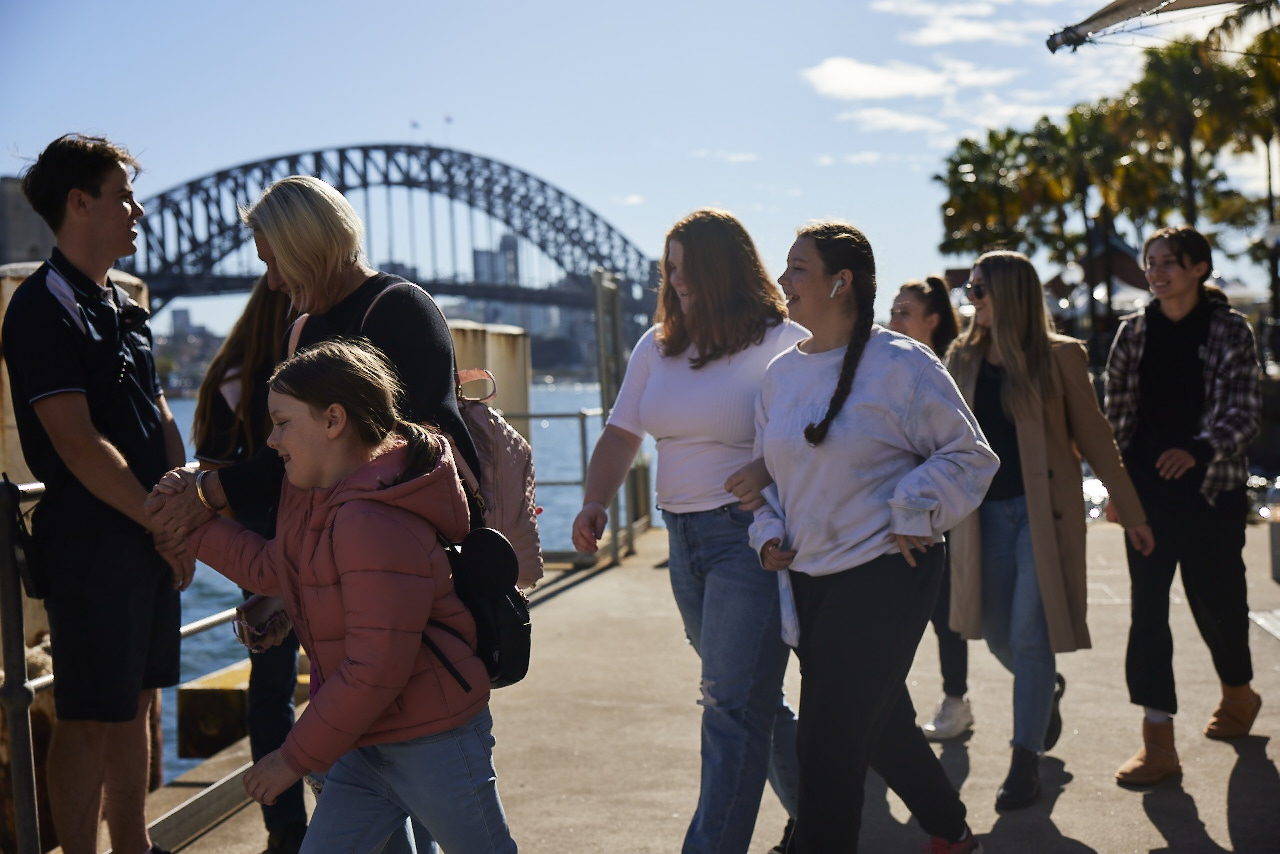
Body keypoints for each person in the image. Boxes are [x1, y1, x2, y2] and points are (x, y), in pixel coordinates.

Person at [147, 174, 481, 853]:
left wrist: (209, 494)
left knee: (426, 778)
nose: (269, 280)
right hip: (338, 593)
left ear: (306, 245)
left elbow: (391, 460)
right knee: (374, 782)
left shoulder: (398, 310)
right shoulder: (305, 326)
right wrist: (281, 591)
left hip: (410, 593)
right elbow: (304, 469)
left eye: (272, 258)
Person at [170, 339, 516, 853]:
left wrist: (292, 757)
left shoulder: (373, 519)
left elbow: (375, 669)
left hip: (433, 742)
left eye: (283, 423)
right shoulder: (311, 495)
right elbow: (273, 570)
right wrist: (187, 522)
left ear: (333, 421)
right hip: (363, 741)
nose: (271, 440)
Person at [750, 222, 996, 853]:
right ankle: (952, 831)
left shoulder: (902, 364)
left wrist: (913, 508)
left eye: (798, 268)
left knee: (827, 742)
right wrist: (768, 530)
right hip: (807, 579)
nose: (783, 281)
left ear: (841, 281)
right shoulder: (779, 376)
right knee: (879, 723)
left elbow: (971, 456)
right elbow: (771, 480)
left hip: (888, 571)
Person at [571, 209, 805, 854]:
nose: (674, 282)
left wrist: (767, 475)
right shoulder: (658, 346)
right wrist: (596, 500)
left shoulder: (784, 342)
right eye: (668, 270)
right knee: (754, 700)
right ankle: (823, 818)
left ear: (722, 269)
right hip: (684, 542)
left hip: (747, 541)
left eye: (686, 268)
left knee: (728, 707)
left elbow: (817, 438)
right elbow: (623, 432)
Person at [1, 134, 193, 854]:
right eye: (124, 195)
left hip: (146, 538)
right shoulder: (41, 310)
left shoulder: (120, 306)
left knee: (137, 702)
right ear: (79, 204)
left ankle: (134, 845)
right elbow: (76, 443)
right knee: (85, 715)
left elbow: (161, 416)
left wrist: (183, 507)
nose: (138, 210)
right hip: (91, 547)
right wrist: (163, 521)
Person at [946, 250, 1155, 811]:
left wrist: (1131, 512)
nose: (972, 299)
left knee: (1031, 636)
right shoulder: (961, 358)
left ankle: (1023, 760)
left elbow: (1096, 438)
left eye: (980, 289)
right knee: (993, 631)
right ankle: (1045, 690)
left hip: (1041, 517)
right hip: (980, 518)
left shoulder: (1059, 358)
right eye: (969, 288)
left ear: (1010, 293)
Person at [1105, 225, 1263, 787]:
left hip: (1211, 495)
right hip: (1148, 499)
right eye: (1151, 262)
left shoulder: (1228, 330)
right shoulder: (1132, 334)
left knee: (1217, 607)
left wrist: (1196, 450)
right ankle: (1158, 742)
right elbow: (1115, 423)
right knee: (1147, 614)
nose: (1156, 271)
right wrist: (1119, 495)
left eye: (1168, 261)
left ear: (1199, 268)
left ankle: (1239, 693)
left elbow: (1244, 415)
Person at [191, 276, 308, 853]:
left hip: (257, 548)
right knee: (353, 671)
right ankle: (359, 814)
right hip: (322, 532)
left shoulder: (228, 378)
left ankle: (285, 828)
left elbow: (211, 467)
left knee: (271, 686)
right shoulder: (308, 371)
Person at [887, 276, 973, 741]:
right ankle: (886, 710)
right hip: (892, 515)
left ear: (932, 320)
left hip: (943, 516)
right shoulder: (885, 368)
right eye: (893, 310)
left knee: (946, 617)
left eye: (903, 312)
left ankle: (956, 701)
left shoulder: (948, 371)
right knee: (892, 619)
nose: (893, 319)